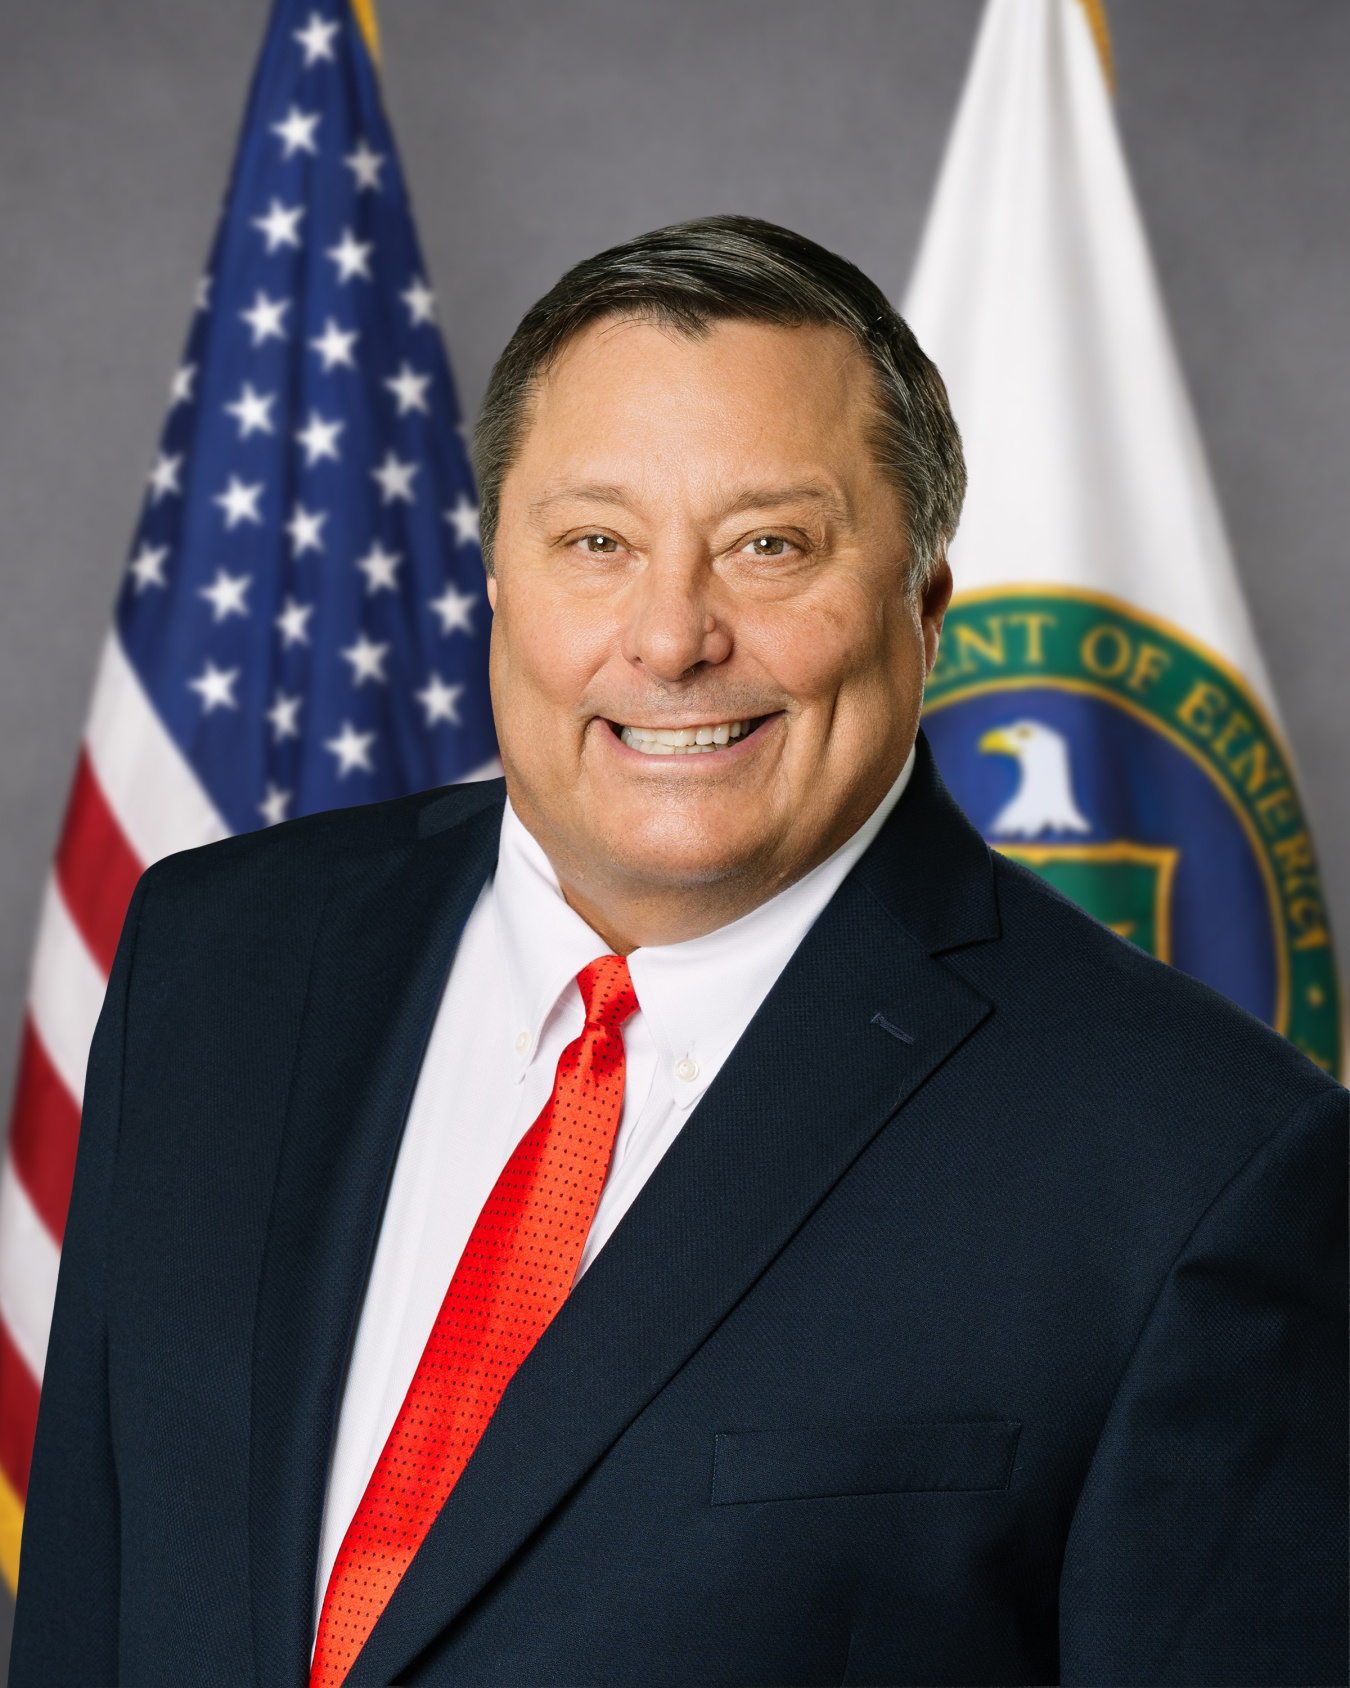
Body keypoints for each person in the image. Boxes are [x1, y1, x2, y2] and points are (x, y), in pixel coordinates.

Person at [11, 217, 1346, 1688]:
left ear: (924, 606)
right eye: (596, 541)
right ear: (500, 581)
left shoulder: (1199, 1162)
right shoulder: (217, 958)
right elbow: (91, 1607)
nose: (668, 637)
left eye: (770, 545)